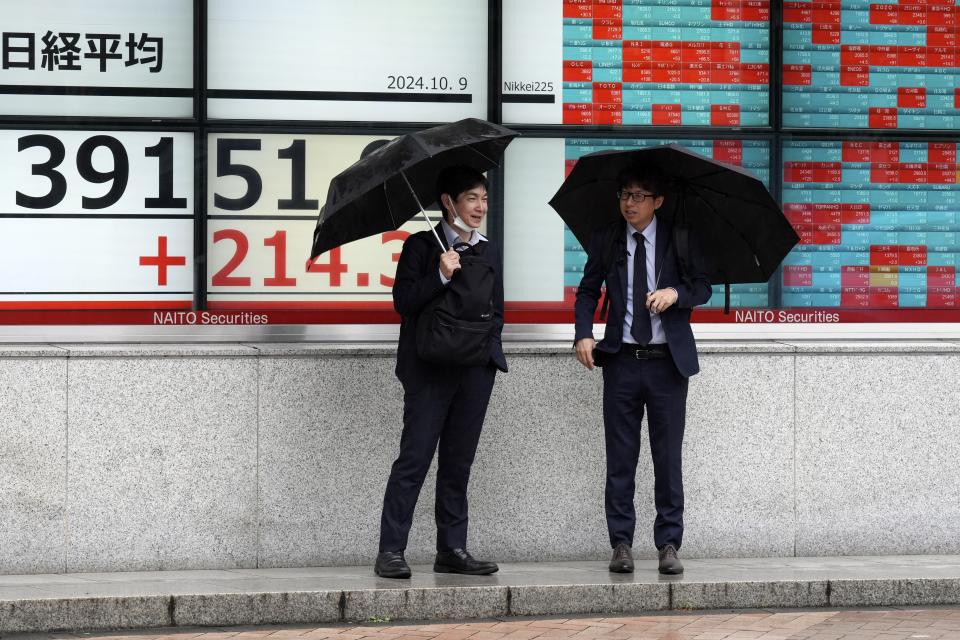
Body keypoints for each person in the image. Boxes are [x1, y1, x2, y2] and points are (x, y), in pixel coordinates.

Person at [573, 161, 711, 575]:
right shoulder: (607, 239)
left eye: (638, 197)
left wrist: (675, 292)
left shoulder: (679, 238)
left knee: (667, 459)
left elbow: (702, 286)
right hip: (621, 362)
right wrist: (583, 333)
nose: (629, 204)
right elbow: (586, 291)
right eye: (624, 195)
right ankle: (621, 544)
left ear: (658, 201)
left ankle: (668, 543)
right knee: (621, 458)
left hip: (667, 364)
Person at [375, 165, 507, 579]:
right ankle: (391, 551)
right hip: (429, 370)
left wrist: (487, 353)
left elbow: (497, 310)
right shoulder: (420, 247)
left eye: (484, 199)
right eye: (471, 198)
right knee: (414, 459)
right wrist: (439, 274)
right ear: (448, 203)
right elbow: (404, 302)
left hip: (474, 370)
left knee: (458, 463)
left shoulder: (488, 249)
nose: (480, 207)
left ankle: (452, 548)